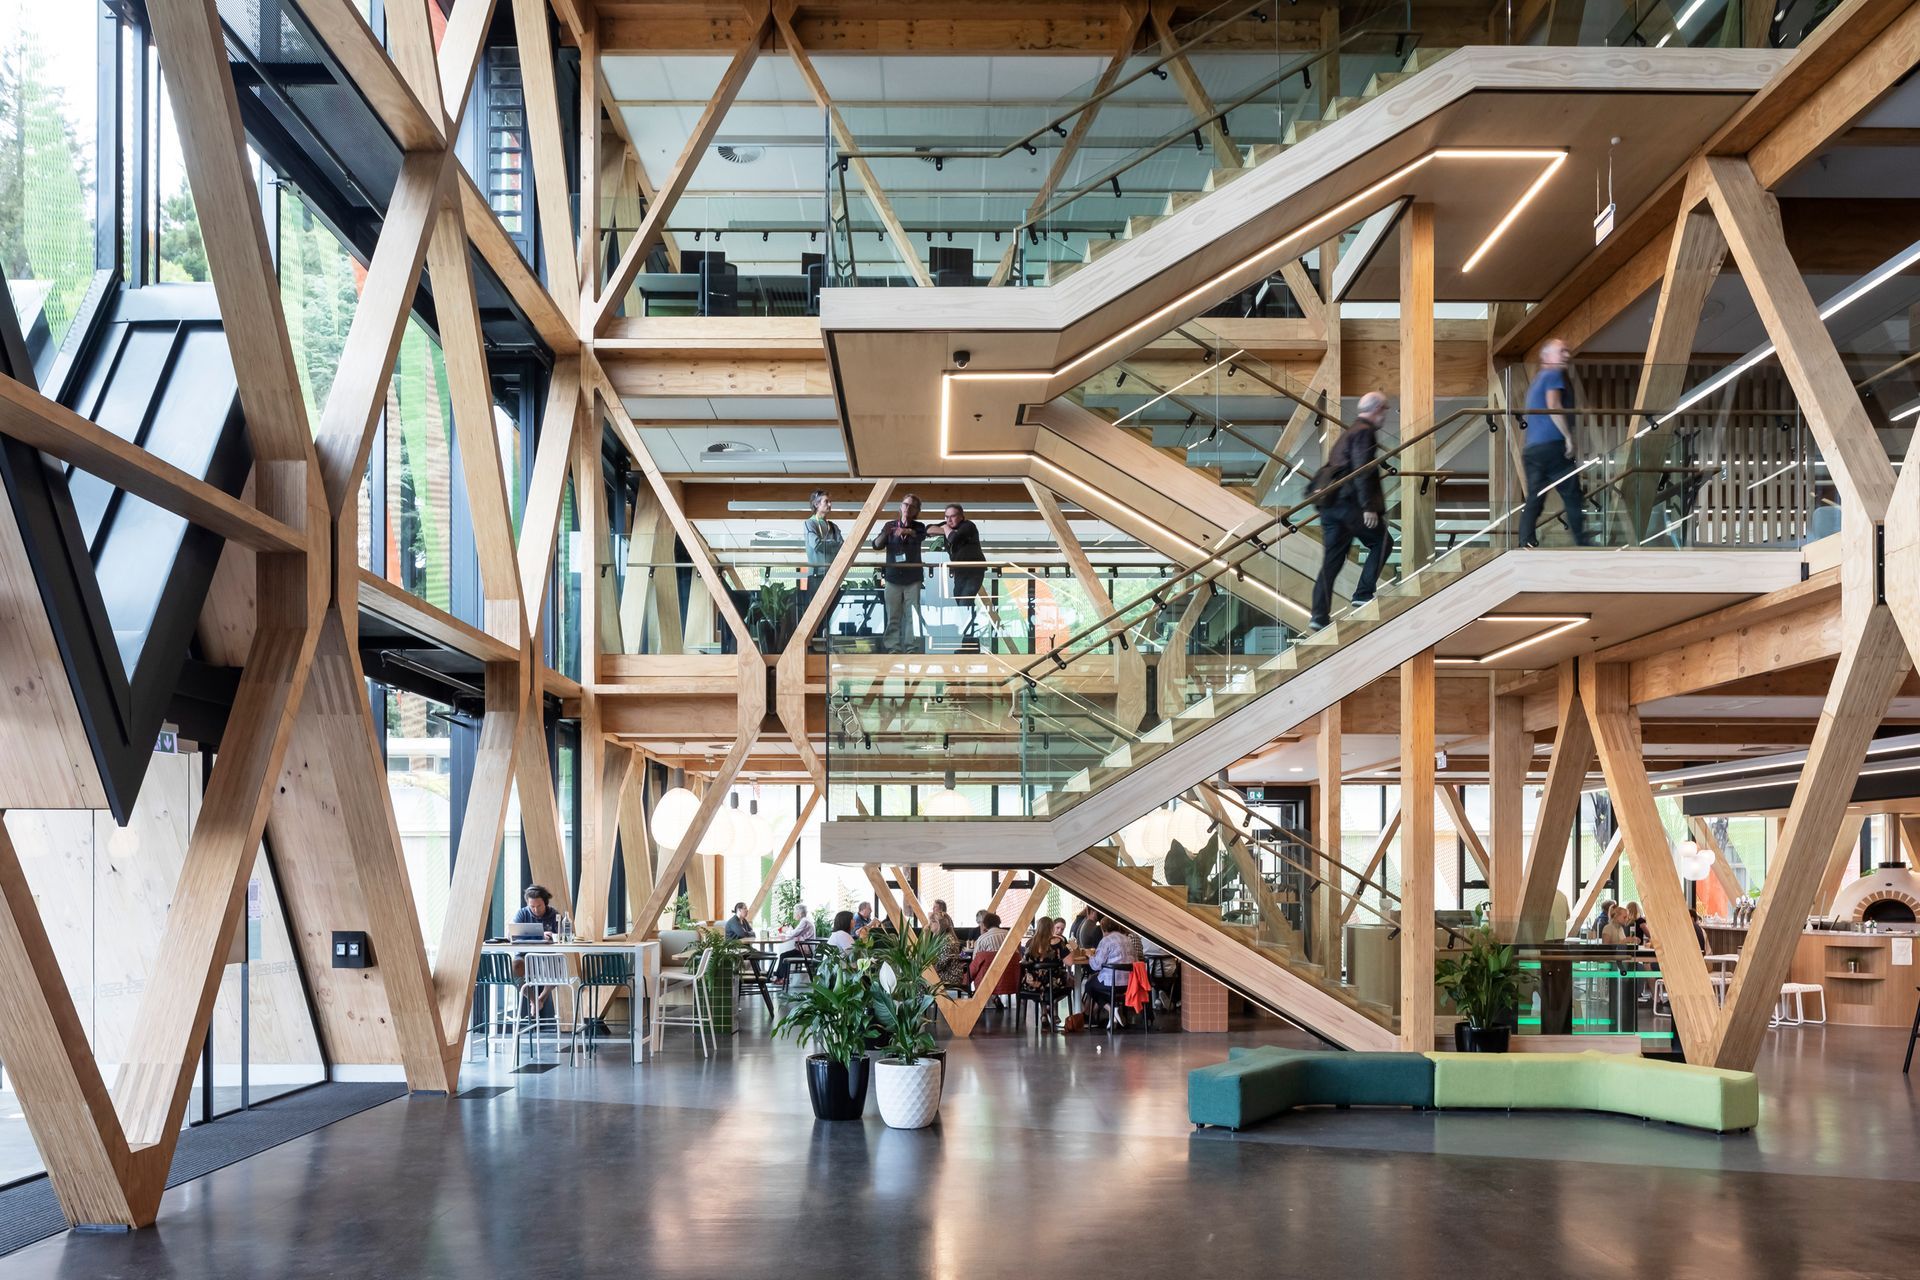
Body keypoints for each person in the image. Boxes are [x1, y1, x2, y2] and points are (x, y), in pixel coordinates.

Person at [1309, 391, 1394, 630]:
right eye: (1385, 409)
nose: (1385, 414)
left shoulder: (1349, 432)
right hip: (1351, 505)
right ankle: (1363, 594)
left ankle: (1319, 616)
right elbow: (1362, 470)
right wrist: (1369, 507)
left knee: (1332, 561)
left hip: (1331, 507)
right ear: (1377, 409)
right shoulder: (1364, 432)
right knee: (1383, 542)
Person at [1517, 338, 1593, 548]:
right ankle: (1582, 541)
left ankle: (1525, 540)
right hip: (1553, 446)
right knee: (1572, 495)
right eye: (1562, 352)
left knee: (1535, 497)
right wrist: (1568, 436)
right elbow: (1553, 405)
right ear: (1547, 357)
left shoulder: (1537, 380)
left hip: (1532, 450)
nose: (1566, 355)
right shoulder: (1552, 374)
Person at [871, 495, 927, 652]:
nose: (907, 508)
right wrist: (885, 533)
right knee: (893, 616)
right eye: (905, 504)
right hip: (893, 578)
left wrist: (906, 531)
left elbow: (920, 535)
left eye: (912, 506)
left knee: (912, 616)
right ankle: (893, 648)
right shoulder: (890, 525)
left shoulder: (919, 526)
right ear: (901, 506)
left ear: (916, 510)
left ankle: (912, 648)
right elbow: (876, 545)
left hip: (913, 578)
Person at [935, 503, 985, 638]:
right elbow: (928, 530)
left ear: (962, 517)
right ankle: (970, 639)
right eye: (946, 517)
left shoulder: (968, 526)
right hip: (960, 571)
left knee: (965, 602)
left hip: (974, 570)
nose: (949, 520)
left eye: (952, 516)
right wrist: (944, 528)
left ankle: (969, 640)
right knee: (961, 601)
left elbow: (954, 539)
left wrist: (944, 528)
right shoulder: (949, 526)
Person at [1083, 920, 1144, 1022]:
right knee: (1097, 983)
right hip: (1129, 984)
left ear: (1104, 929)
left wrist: (1090, 956)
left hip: (1111, 983)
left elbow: (1096, 966)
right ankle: (1114, 1011)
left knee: (1089, 985)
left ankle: (1111, 1010)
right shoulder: (1127, 939)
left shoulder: (1106, 941)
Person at [773, 906, 815, 986]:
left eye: (795, 913)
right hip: (803, 949)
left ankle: (781, 978)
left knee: (784, 956)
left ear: (799, 914)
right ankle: (780, 977)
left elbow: (793, 933)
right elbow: (795, 934)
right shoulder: (806, 920)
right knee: (783, 955)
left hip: (805, 952)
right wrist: (789, 931)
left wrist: (786, 930)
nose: (794, 915)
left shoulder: (804, 921)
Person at [930, 912, 970, 991]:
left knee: (919, 981)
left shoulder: (947, 940)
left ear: (939, 924)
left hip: (949, 976)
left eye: (932, 921)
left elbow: (940, 964)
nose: (929, 924)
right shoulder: (942, 938)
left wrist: (927, 969)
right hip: (946, 973)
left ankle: (921, 1003)